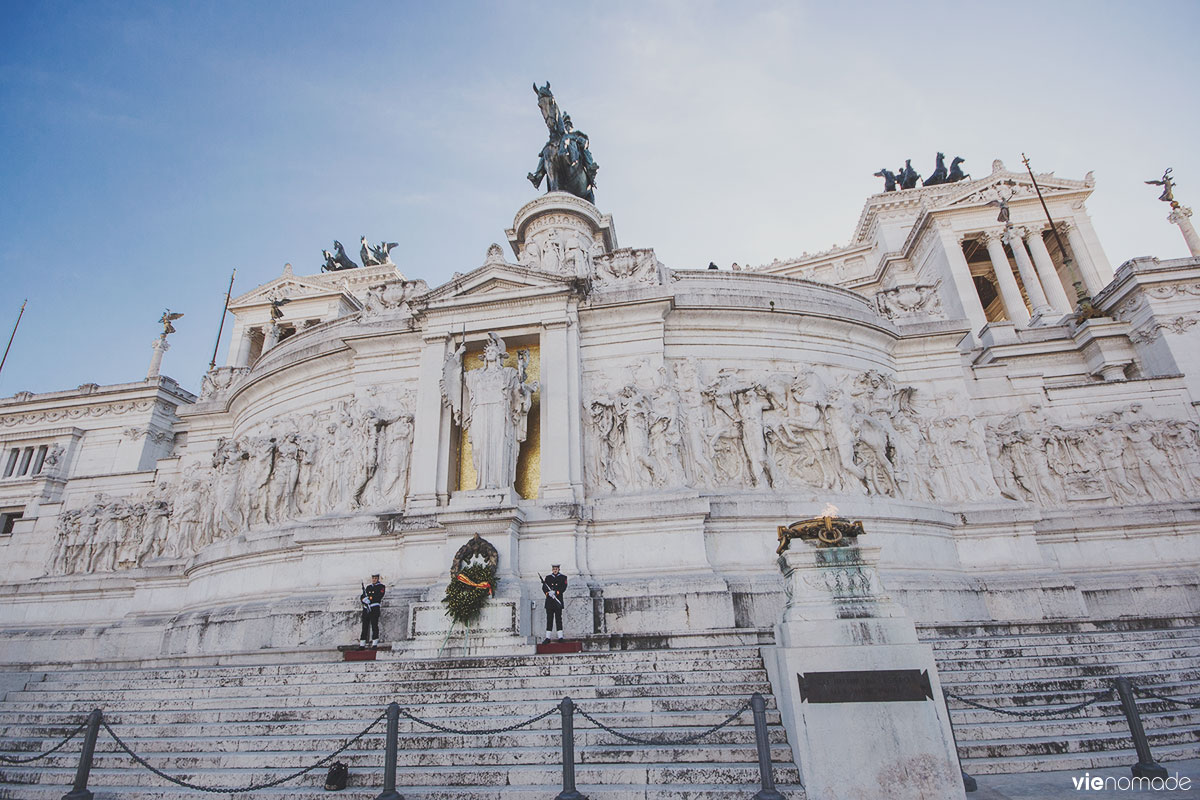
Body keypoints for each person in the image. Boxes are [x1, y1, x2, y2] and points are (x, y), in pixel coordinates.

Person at [543, 564, 567, 643]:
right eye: (553, 569)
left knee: (558, 619)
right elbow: (544, 587)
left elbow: (563, 587)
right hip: (550, 602)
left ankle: (560, 637)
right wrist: (547, 593)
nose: (555, 570)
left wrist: (556, 592)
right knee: (549, 619)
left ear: (559, 569)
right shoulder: (548, 578)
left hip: (557, 601)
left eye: (556, 569)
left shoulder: (563, 577)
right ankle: (547, 637)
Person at [359, 573, 385, 647]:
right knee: (365, 627)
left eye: (375, 578)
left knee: (374, 626)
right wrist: (363, 599)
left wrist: (370, 599)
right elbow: (363, 595)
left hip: (374, 609)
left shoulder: (381, 587)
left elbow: (379, 596)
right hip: (366, 609)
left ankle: (374, 643)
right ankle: (362, 644)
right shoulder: (368, 587)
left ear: (378, 579)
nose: (374, 580)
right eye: (373, 578)